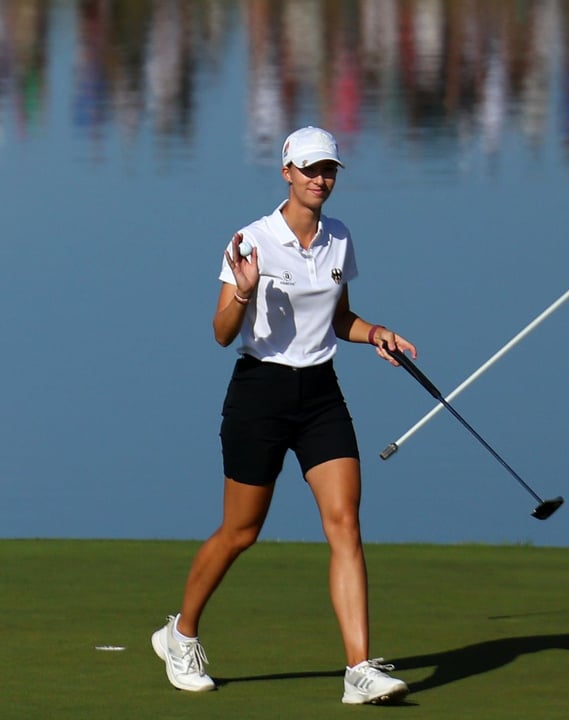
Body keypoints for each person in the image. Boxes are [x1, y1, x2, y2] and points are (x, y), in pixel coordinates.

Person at [151, 126, 416, 703]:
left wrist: (375, 335)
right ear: (287, 173)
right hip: (259, 395)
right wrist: (244, 292)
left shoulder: (340, 239)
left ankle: (358, 670)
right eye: (311, 169)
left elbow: (338, 318)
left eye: (330, 171)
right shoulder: (252, 239)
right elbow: (222, 333)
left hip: (321, 394)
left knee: (345, 522)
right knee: (241, 531)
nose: (321, 179)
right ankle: (181, 633)